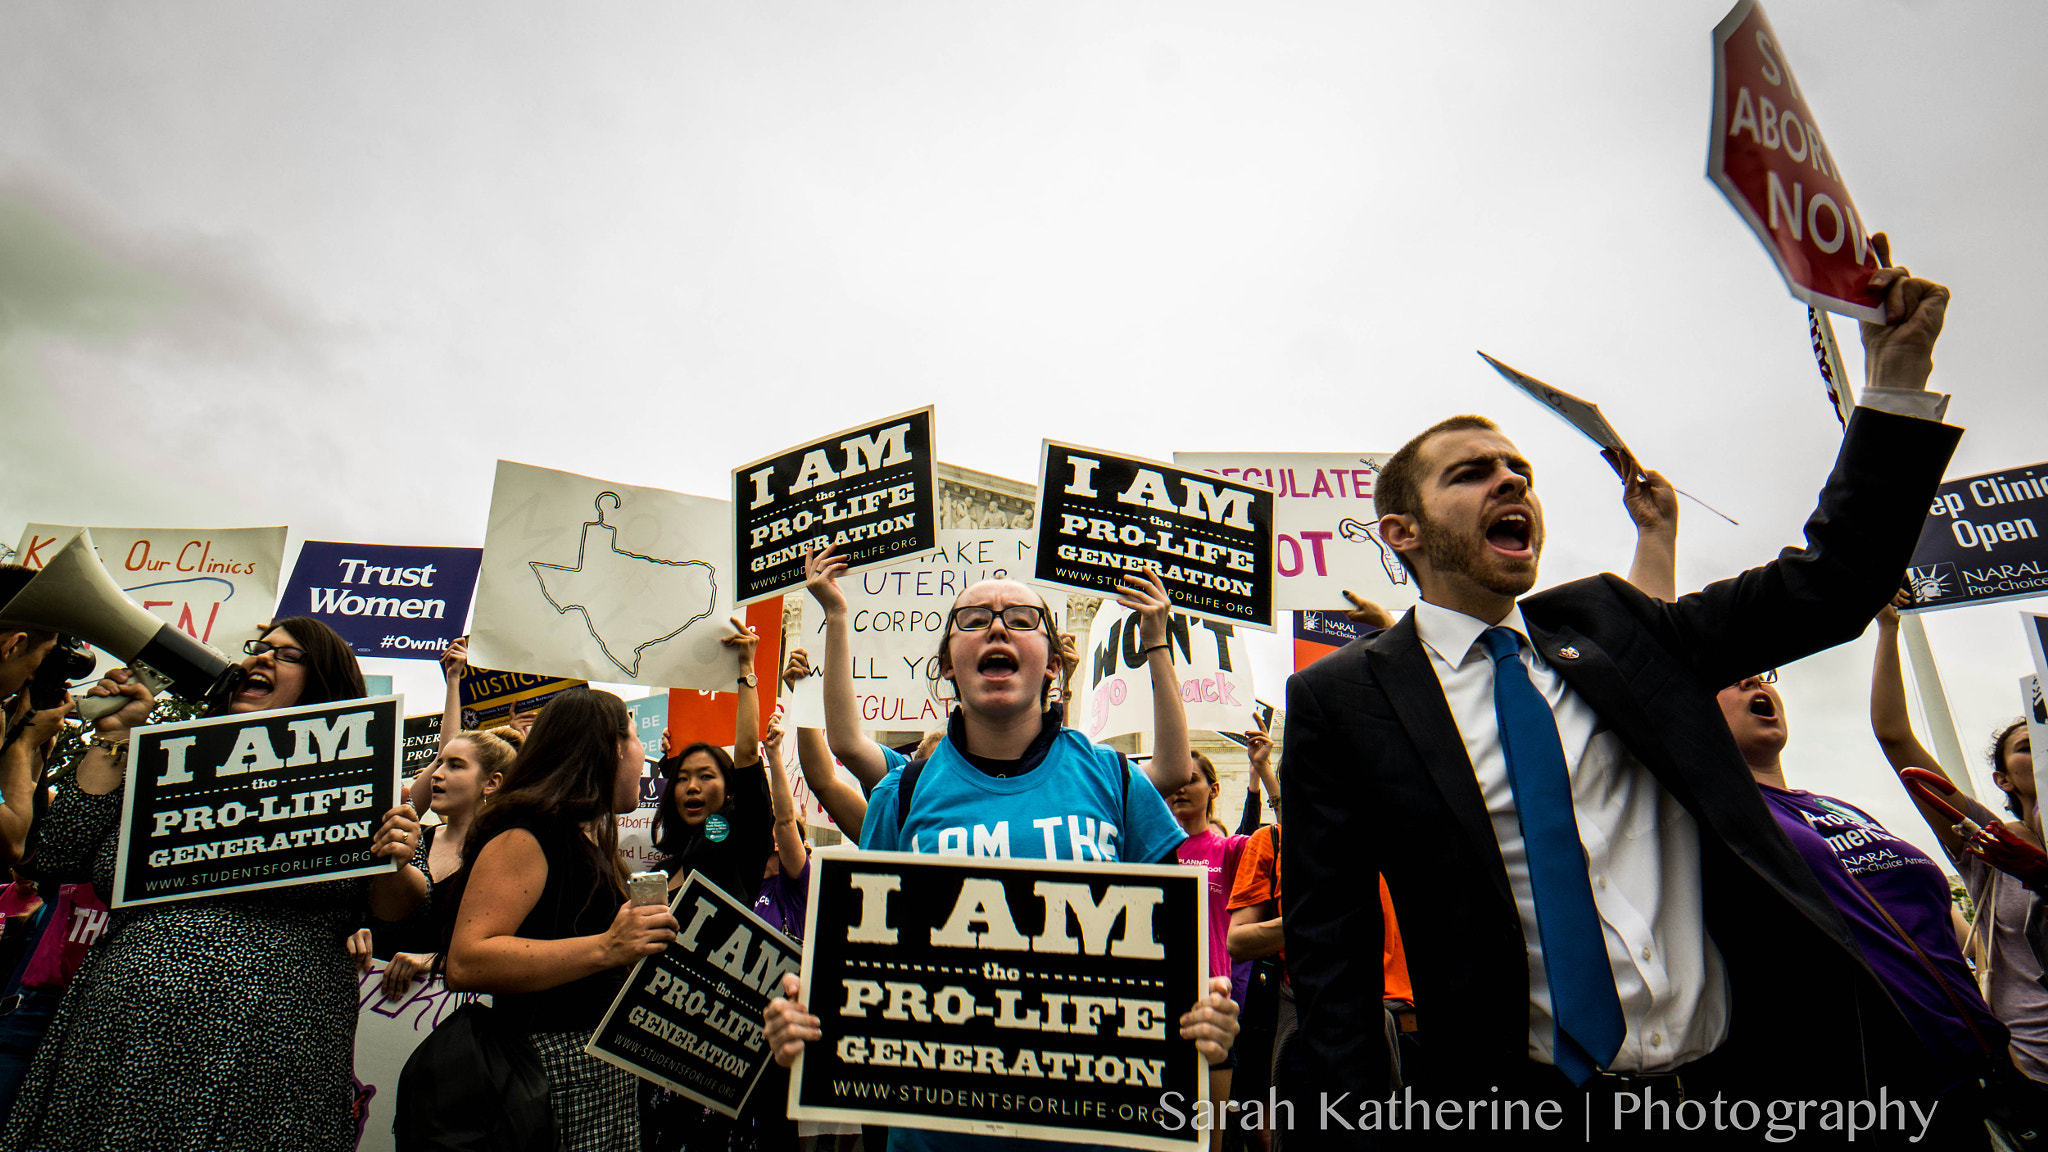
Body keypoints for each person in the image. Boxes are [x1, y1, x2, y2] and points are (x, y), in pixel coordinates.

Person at [1282, 252, 1959, 1146]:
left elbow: (1832, 583)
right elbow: (1331, 950)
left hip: (1751, 1094)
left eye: (1517, 468)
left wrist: (1897, 381)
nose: (1510, 481)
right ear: (1403, 532)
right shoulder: (1342, 700)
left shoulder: (1618, 628)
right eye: (1472, 474)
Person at [764, 567, 1241, 1152]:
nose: (996, 628)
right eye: (974, 619)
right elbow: (859, 958)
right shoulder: (904, 794)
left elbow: (1175, 957)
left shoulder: (1112, 779)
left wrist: (1205, 1020)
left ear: (1053, 664)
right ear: (946, 664)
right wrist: (805, 1019)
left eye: (1021, 620)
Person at [1, 617, 425, 1152]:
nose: (261, 659)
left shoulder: (369, 774)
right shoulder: (165, 764)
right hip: (125, 1023)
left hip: (269, 1036)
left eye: (288, 655)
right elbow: (61, 853)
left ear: (324, 683)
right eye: (258, 649)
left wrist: (395, 859)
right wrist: (115, 738)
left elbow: (399, 908)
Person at [1725, 667, 2033, 1142]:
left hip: (1980, 1069)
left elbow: (1952, 930)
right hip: (1878, 1088)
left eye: (1764, 675)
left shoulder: (1839, 808)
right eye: (1730, 676)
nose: (1756, 683)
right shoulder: (1728, 812)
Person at [443, 687, 678, 1152]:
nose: (644, 756)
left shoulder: (585, 841)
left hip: (595, 1069)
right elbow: (467, 961)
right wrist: (607, 947)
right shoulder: (526, 834)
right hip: (550, 1072)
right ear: (608, 748)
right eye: (635, 740)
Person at [1872, 596, 2048, 1082]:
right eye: (2026, 745)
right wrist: (1889, 629)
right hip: (2035, 1068)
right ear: (2003, 779)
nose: (2041, 751)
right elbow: (1893, 734)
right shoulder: (1988, 843)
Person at [370, 642, 515, 1001]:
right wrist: (357, 930)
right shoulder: (413, 840)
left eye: (455, 767)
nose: (437, 775)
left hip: (440, 1013)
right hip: (371, 1002)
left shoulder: (500, 854)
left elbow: (507, 946)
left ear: (492, 782)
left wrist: (435, 961)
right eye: (438, 765)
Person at [1172, 749, 1252, 1151]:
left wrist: (1262, 774)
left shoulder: (1231, 850)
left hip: (1213, 1007)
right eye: (1174, 780)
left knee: (1210, 1142)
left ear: (1214, 789)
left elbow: (1294, 842)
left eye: (1192, 778)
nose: (1181, 787)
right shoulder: (1147, 849)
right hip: (1159, 1002)